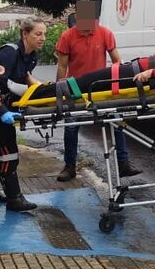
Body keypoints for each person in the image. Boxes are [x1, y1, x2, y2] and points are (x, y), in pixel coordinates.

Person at [54, 12, 141, 182]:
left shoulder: (105, 33)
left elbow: (117, 62)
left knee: (117, 120)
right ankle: (69, 166)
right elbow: (62, 66)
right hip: (76, 87)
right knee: (71, 126)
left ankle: (123, 163)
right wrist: (59, 94)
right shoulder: (67, 37)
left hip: (100, 87)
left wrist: (118, 87)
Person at [0, 17, 46, 212]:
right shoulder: (8, 54)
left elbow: (27, 80)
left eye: (44, 34)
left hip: (4, 109)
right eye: (38, 34)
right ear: (25, 34)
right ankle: (14, 198)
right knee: (9, 154)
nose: (43, 38)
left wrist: (46, 91)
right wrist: (3, 112)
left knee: (2, 152)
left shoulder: (30, 57)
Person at [23, 50, 155, 100]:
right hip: (133, 69)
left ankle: (39, 91)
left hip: (133, 74)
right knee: (83, 83)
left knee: (83, 84)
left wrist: (152, 72)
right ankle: (40, 88)